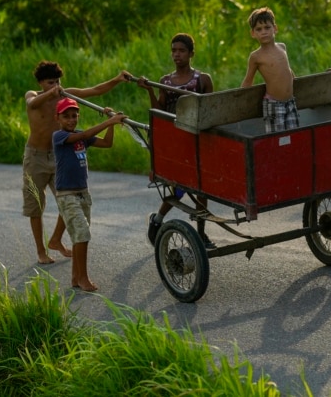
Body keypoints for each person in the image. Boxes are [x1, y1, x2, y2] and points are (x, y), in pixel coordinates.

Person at [23, 60, 131, 264]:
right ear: (40, 83)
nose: (56, 86)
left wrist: (117, 80)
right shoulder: (33, 95)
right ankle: (41, 251)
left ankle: (55, 240)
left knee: (68, 199)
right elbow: (32, 104)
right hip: (35, 157)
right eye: (50, 83)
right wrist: (51, 93)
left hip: (59, 157)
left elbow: (95, 90)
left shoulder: (65, 94)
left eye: (57, 82)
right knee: (35, 206)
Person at [136, 33, 216, 248]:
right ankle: (158, 220)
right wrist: (150, 91)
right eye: (174, 51)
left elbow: (210, 111)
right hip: (176, 143)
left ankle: (201, 233)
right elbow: (159, 111)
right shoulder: (165, 81)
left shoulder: (203, 80)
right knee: (179, 190)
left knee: (201, 189)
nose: (176, 54)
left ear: (191, 53)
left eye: (181, 50)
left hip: (196, 141)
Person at [53, 97, 127, 291]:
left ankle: (75, 277)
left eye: (74, 115)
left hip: (83, 193)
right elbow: (84, 134)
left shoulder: (82, 137)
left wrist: (111, 122)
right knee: (83, 234)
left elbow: (107, 143)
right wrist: (109, 121)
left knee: (79, 236)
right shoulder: (59, 136)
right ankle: (84, 277)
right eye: (66, 116)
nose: (71, 120)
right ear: (58, 118)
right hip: (66, 194)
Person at [240, 7, 299, 133]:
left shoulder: (282, 47)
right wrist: (240, 101)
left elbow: (287, 70)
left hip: (290, 102)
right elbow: (248, 79)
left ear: (275, 29)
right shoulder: (256, 56)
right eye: (259, 29)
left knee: (294, 135)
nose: (264, 32)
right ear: (253, 33)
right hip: (273, 104)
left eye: (267, 27)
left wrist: (294, 81)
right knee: (277, 139)